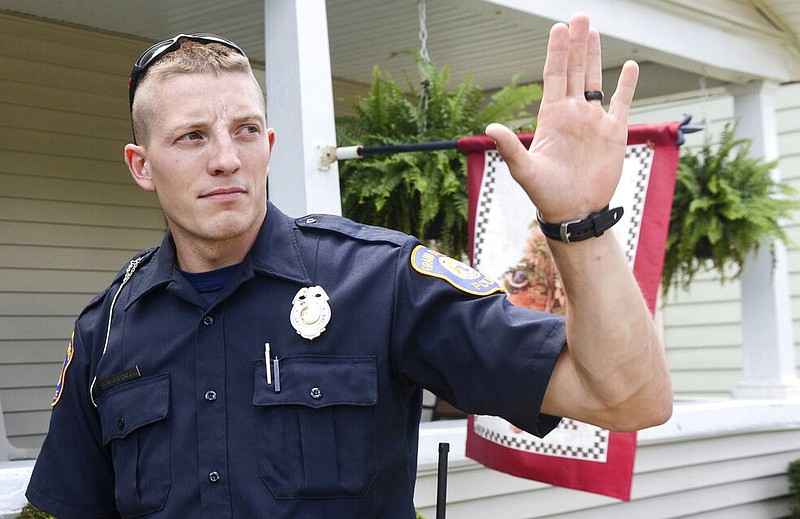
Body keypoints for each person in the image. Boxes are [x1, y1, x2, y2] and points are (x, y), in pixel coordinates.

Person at [26, 12, 672, 518]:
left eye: (247, 130)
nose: (226, 158)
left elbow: (630, 397)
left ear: (270, 145)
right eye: (193, 136)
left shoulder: (382, 282)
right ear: (142, 164)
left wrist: (580, 222)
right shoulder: (108, 328)